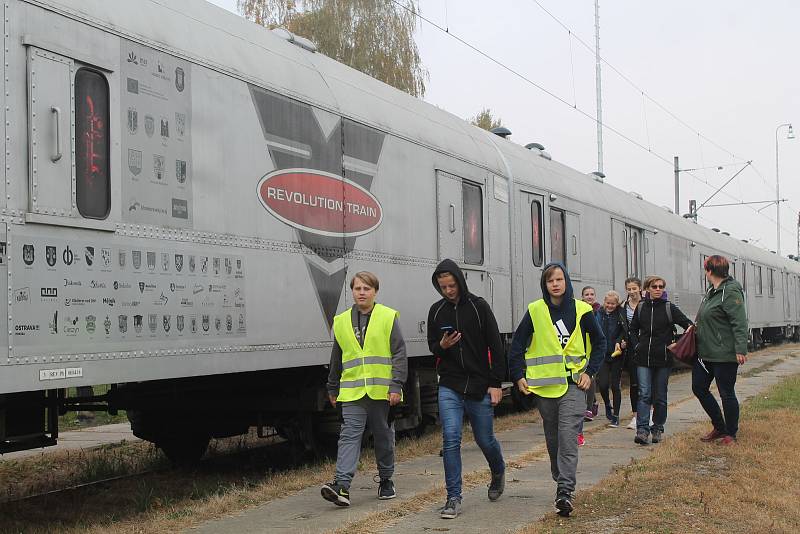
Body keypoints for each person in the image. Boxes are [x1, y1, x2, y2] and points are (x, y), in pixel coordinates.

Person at [509, 263, 606, 517]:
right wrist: (518, 376)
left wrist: (590, 372)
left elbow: (600, 343)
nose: (555, 283)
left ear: (566, 281)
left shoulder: (583, 310)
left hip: (574, 386)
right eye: (550, 280)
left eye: (559, 279)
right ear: (545, 284)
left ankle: (565, 491)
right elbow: (517, 345)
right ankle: (560, 474)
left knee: (567, 436)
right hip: (545, 388)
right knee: (553, 440)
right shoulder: (535, 310)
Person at [428, 259, 506, 519]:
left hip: (479, 385)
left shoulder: (479, 307)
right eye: (443, 287)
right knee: (451, 438)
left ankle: (497, 470)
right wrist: (443, 346)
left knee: (485, 440)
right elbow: (433, 347)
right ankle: (453, 497)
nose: (448, 291)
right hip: (450, 383)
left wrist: (496, 383)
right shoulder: (436, 311)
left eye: (451, 285)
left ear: (460, 281)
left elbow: (496, 346)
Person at [321, 272, 407, 507]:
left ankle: (386, 479)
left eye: (366, 289)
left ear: (375, 292)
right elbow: (336, 357)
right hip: (352, 392)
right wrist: (332, 387)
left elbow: (399, 353)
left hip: (382, 392)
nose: (361, 292)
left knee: (383, 438)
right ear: (352, 291)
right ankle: (342, 486)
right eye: (357, 288)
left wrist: (396, 384)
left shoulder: (388, 317)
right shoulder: (341, 321)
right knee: (349, 436)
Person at [629, 275, 692, 445]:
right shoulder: (641, 308)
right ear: (647, 289)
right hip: (643, 358)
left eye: (661, 287)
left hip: (663, 359)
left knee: (660, 396)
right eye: (654, 286)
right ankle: (642, 430)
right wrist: (637, 346)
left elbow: (688, 326)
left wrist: (676, 345)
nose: (658, 289)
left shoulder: (669, 308)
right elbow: (633, 330)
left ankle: (657, 427)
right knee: (644, 394)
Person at [692, 255, 748, 445]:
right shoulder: (712, 291)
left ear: (708, 271)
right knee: (699, 387)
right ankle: (719, 426)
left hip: (724, 353)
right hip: (705, 352)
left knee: (726, 392)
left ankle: (730, 434)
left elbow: (739, 322)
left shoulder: (730, 292)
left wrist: (740, 349)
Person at [595, 290, 627, 427]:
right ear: (604, 302)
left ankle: (616, 415)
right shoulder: (599, 314)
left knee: (615, 386)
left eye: (613, 304)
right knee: (602, 384)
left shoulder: (621, 314)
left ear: (617, 303)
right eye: (608, 303)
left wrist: (620, 341)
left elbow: (624, 330)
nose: (610, 306)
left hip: (616, 354)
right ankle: (607, 404)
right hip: (602, 354)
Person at [578, 286, 600, 446]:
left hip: (592, 351)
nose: (590, 296)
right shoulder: (579, 311)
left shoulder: (599, 311)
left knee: (590, 379)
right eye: (587, 294)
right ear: (582, 296)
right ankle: (592, 403)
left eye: (592, 294)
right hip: (580, 352)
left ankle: (589, 406)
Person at [622, 277, 642, 429]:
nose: (632, 292)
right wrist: (621, 340)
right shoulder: (623, 307)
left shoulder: (647, 305)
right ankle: (636, 416)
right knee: (635, 384)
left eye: (634, 289)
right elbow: (620, 327)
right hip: (631, 349)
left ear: (640, 288)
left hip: (646, 347)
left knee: (647, 384)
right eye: (629, 289)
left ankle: (649, 414)